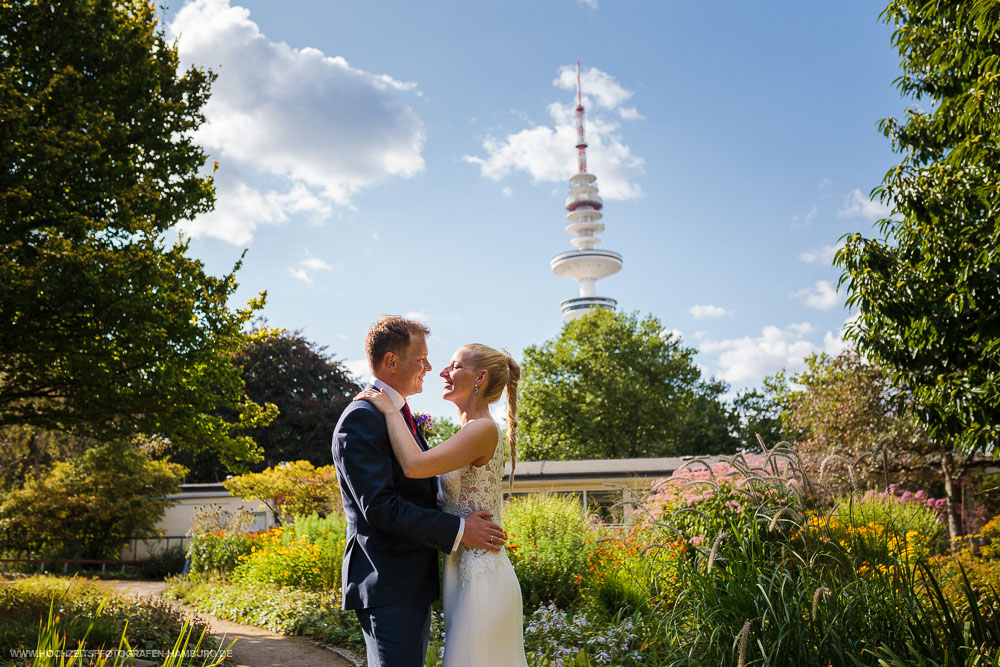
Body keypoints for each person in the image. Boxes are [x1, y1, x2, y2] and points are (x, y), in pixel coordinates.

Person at [331, 316, 506, 667]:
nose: (430, 367)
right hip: (389, 580)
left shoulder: (397, 415)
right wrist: (458, 529)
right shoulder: (363, 417)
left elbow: (420, 487)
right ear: (391, 361)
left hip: (411, 583)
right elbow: (380, 507)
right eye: (421, 358)